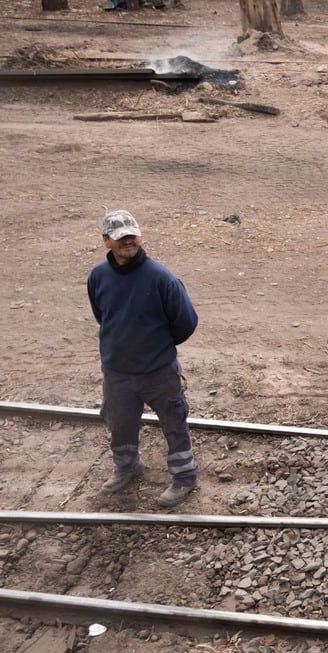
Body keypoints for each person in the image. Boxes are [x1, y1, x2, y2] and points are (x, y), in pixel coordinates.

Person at [87, 210, 199, 507]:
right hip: (117, 372)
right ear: (106, 241)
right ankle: (127, 466)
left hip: (158, 371)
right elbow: (102, 315)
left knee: (174, 423)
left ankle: (184, 477)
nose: (127, 241)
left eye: (131, 235)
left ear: (140, 236)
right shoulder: (98, 276)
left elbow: (186, 322)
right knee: (120, 423)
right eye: (120, 236)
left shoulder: (162, 278)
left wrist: (155, 349)